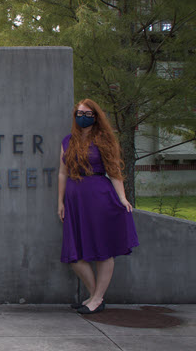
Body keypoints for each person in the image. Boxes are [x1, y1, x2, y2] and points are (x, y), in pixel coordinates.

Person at [57, 99, 139, 314]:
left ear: (95, 116)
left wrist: (122, 198)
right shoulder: (68, 141)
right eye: (79, 112)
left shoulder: (103, 140)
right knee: (74, 255)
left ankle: (96, 299)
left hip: (99, 198)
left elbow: (113, 171)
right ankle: (96, 296)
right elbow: (62, 173)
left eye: (87, 113)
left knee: (103, 250)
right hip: (75, 201)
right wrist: (60, 201)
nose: (82, 116)